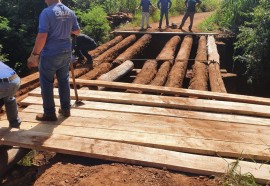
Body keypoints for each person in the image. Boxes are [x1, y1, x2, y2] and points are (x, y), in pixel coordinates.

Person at [28, 0, 80, 121]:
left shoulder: (46, 13)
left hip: (51, 54)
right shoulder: (69, 11)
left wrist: (35, 54)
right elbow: (77, 31)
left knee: (46, 83)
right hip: (66, 52)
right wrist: (65, 29)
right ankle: (66, 109)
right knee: (64, 80)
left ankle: (50, 113)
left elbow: (42, 36)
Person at [0, 61, 21, 128]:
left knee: (4, 93)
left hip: (2, 85)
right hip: (15, 80)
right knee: (9, 98)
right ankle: (15, 123)